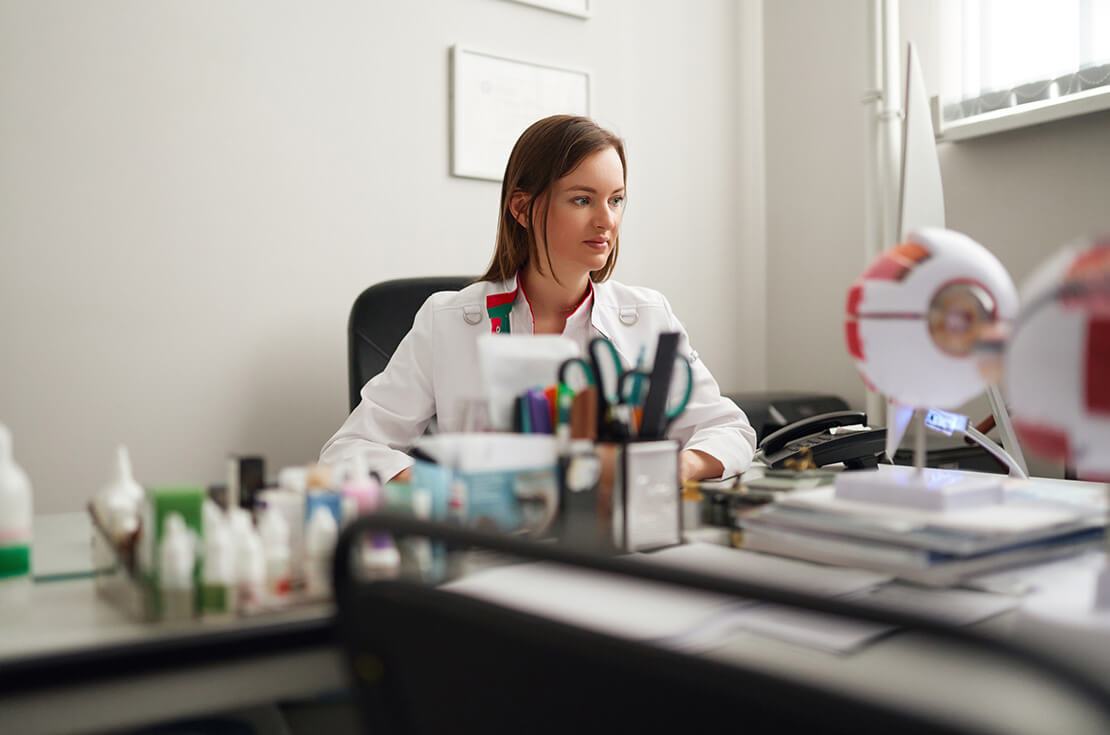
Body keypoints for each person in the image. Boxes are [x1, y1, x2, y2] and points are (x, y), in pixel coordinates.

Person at [321, 115, 756, 482]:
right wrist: (438, 486)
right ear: (522, 208)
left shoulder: (646, 317)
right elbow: (351, 447)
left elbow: (728, 428)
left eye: (617, 200)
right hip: (494, 541)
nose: (607, 220)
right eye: (582, 199)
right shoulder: (449, 320)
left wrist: (677, 467)